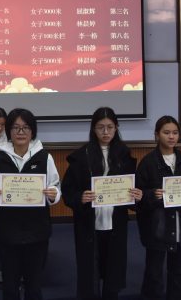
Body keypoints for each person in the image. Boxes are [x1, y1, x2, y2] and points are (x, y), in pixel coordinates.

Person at [62, 107, 142, 300]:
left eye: (110, 127)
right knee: (89, 272)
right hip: (89, 222)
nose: (105, 132)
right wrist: (80, 197)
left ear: (116, 128)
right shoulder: (81, 156)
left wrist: (136, 195)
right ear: (93, 129)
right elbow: (68, 191)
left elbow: (133, 189)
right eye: (100, 127)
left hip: (116, 223)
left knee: (113, 271)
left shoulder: (124, 155)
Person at [0, 108, 61, 300]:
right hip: (7, 231)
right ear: (9, 131)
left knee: (34, 285)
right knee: (10, 285)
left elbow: (55, 186)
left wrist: (53, 195)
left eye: (25, 127)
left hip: (37, 231)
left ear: (32, 131)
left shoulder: (44, 156)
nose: (20, 132)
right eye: (15, 128)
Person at [136, 115, 181, 300]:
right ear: (157, 135)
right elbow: (137, 197)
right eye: (166, 132)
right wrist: (152, 195)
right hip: (157, 229)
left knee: (178, 272)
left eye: (175, 133)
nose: (171, 137)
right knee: (154, 274)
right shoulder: (148, 162)